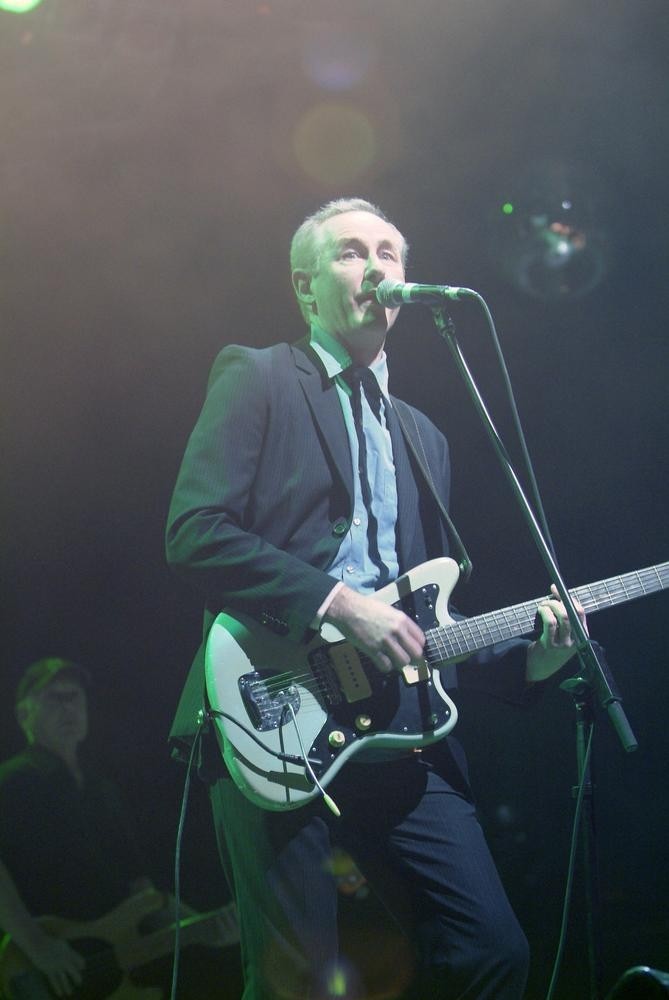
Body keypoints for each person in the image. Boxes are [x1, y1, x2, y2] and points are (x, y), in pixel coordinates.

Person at [165, 197, 586, 1000]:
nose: (378, 266)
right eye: (352, 252)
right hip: (273, 710)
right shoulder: (257, 377)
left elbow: (424, 624)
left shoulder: (424, 435)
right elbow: (194, 531)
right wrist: (334, 601)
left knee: (491, 951)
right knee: (296, 979)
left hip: (396, 731)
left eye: (390, 252)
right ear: (306, 287)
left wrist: (538, 655)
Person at [0, 657, 237, 999]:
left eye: (75, 697)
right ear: (23, 714)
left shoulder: (102, 791)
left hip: (110, 974)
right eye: (54, 697)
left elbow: (143, 894)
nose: (69, 706)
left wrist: (201, 926)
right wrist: (37, 945)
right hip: (38, 969)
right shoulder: (13, 781)